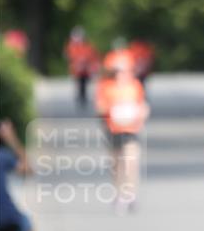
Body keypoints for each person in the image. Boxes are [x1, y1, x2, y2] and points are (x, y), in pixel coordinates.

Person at [94, 58, 149, 213]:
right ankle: (118, 193)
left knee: (131, 162)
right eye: (119, 71)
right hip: (113, 129)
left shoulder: (135, 86)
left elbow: (142, 105)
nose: (122, 74)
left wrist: (141, 113)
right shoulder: (106, 87)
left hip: (131, 129)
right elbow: (99, 108)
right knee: (117, 164)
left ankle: (130, 194)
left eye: (125, 71)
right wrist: (112, 110)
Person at [0, 119, 36, 231]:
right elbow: (28, 169)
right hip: (8, 218)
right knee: (27, 227)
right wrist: (12, 139)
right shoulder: (2, 156)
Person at [64, 27, 100, 109]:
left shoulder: (87, 46)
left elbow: (92, 56)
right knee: (79, 83)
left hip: (85, 69)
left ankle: (83, 97)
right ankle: (80, 96)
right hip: (76, 69)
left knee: (84, 83)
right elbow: (68, 56)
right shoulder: (71, 46)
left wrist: (92, 66)